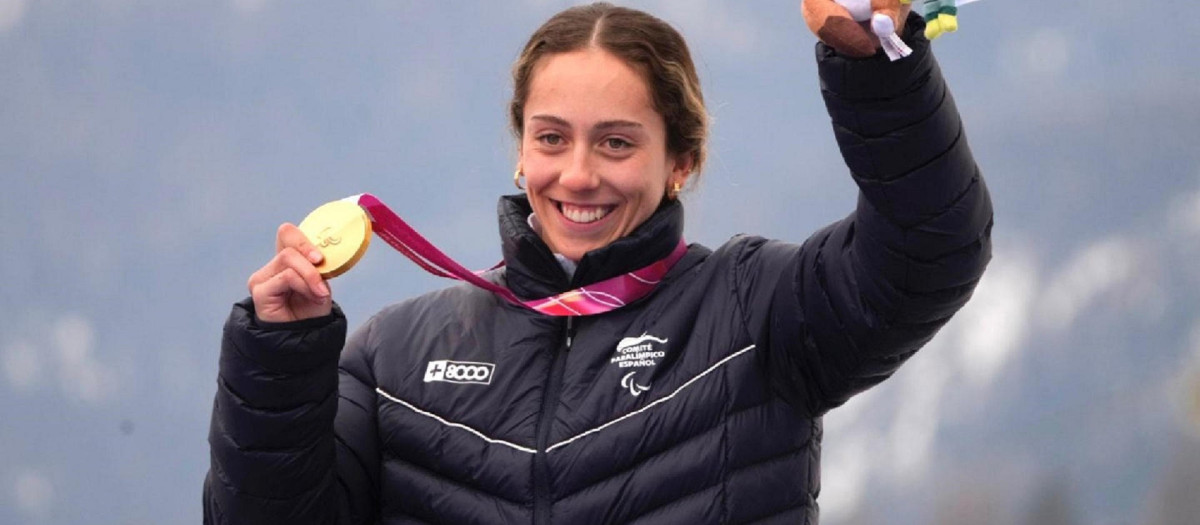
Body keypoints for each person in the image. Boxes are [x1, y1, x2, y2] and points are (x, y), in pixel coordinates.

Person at [204, 2, 992, 524]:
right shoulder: (394, 358)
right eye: (551, 138)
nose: (578, 174)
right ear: (521, 150)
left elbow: (931, 249)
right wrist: (280, 360)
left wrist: (877, 72)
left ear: (681, 160)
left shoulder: (755, 310)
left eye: (616, 142)